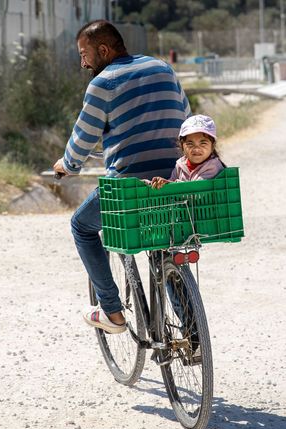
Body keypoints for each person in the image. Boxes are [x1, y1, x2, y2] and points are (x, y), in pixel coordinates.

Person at [53, 19, 191, 334]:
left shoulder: (103, 84)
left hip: (130, 187)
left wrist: (66, 165)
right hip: (174, 179)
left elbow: (83, 140)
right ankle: (191, 329)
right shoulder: (163, 69)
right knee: (167, 244)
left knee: (81, 227)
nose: (82, 62)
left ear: (103, 50)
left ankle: (112, 313)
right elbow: (186, 117)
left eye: (84, 54)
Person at [148, 114, 225, 189]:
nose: (196, 149)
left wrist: (170, 184)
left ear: (212, 146)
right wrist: (161, 184)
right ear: (182, 146)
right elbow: (171, 186)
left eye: (203, 143)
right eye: (190, 144)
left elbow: (197, 192)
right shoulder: (180, 165)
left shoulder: (213, 166)